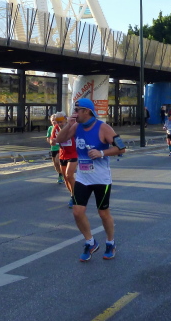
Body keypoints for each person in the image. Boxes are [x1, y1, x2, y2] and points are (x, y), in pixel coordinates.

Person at [55, 98, 125, 261]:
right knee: (77, 212)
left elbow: (121, 148)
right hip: (83, 178)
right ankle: (90, 242)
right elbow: (59, 139)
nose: (74, 113)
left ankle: (110, 242)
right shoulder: (76, 126)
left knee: (103, 213)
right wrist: (68, 124)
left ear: (86, 111)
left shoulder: (103, 128)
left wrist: (102, 153)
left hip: (101, 179)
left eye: (77, 110)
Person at [52, 112, 78, 208]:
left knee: (69, 175)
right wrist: (52, 141)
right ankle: (73, 195)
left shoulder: (72, 126)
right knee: (66, 178)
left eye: (61, 122)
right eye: (58, 122)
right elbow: (52, 141)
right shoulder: (56, 128)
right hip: (63, 155)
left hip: (73, 153)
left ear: (65, 120)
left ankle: (75, 197)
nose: (60, 124)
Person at [47, 114, 63, 184]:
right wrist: (51, 142)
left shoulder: (60, 128)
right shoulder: (50, 128)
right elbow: (48, 138)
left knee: (57, 161)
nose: (54, 121)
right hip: (53, 148)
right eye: (52, 120)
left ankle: (62, 174)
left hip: (60, 147)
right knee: (55, 164)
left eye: (55, 120)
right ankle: (60, 174)